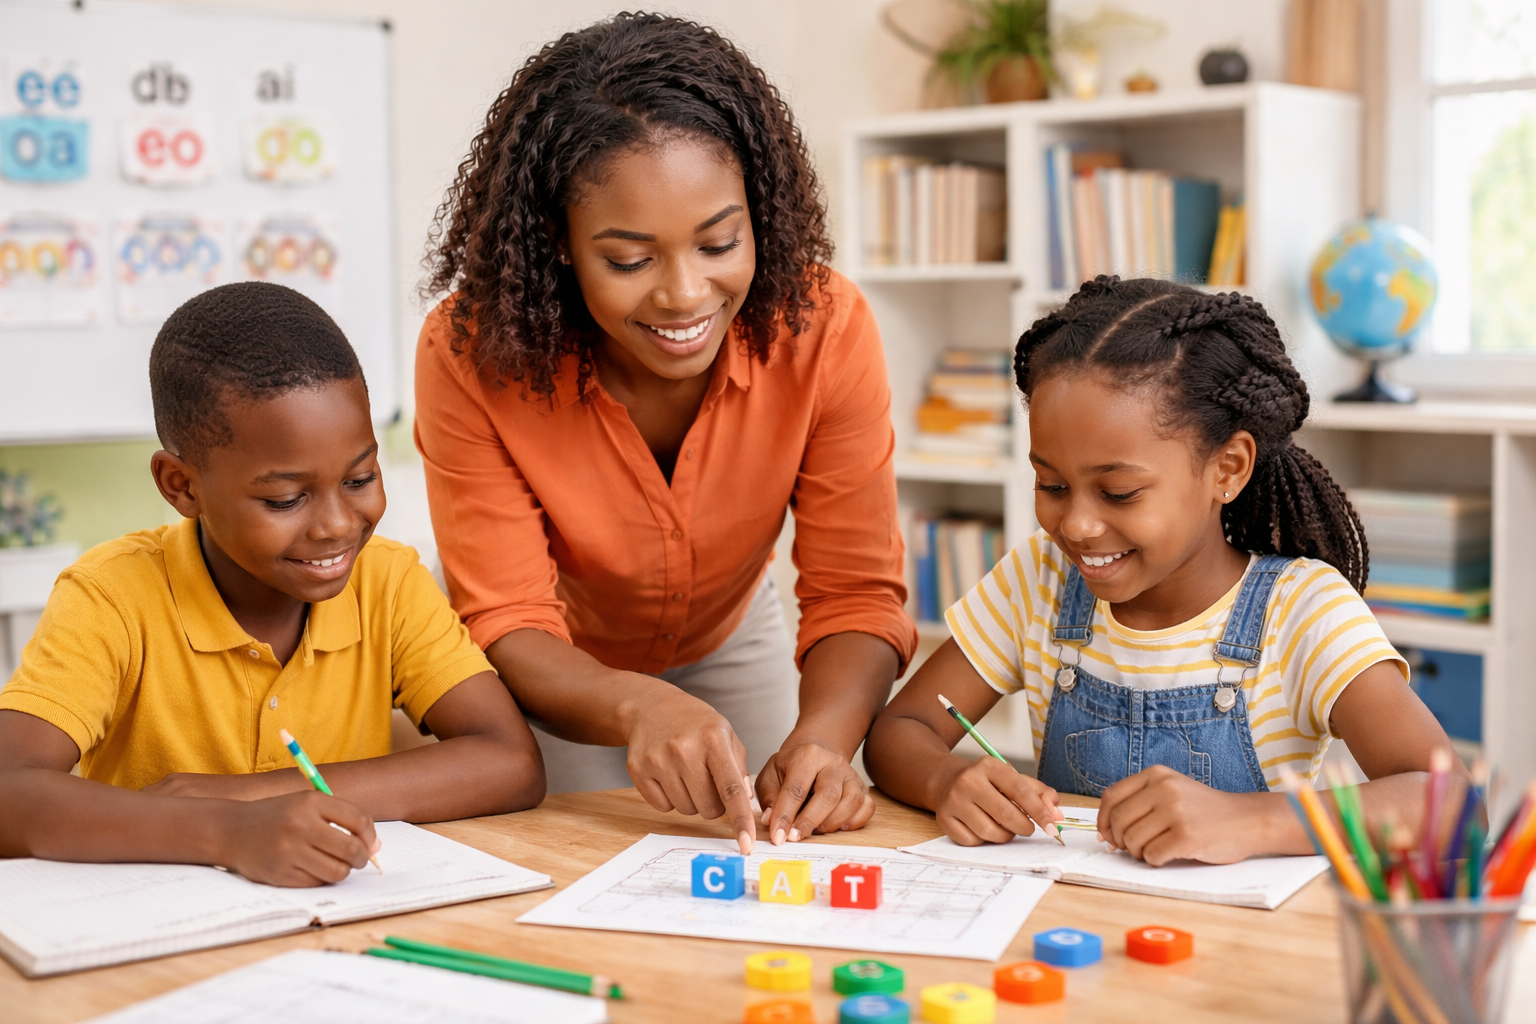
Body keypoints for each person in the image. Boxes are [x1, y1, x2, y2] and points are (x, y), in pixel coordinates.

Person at [414, 12, 916, 856]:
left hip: (730, 630)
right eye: (629, 259)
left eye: (720, 242)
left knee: (774, 859)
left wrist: (828, 736)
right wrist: (636, 704)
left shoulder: (823, 326)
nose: (685, 295)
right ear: (559, 245)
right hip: (548, 661)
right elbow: (508, 618)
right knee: (564, 873)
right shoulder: (469, 352)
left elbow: (856, 590)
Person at [866, 278, 1464, 865]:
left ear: (1228, 468)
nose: (1075, 524)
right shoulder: (1039, 581)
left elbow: (1452, 803)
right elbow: (902, 729)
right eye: (1051, 484)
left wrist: (1251, 820)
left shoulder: (1303, 610)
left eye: (1119, 492)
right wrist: (947, 779)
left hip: (1236, 945)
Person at [0, 283, 545, 886]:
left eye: (361, 479)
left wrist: (249, 797)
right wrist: (226, 833)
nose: (338, 524)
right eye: (286, 498)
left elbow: (511, 761)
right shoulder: (113, 596)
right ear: (182, 486)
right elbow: (7, 792)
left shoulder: (387, 581)